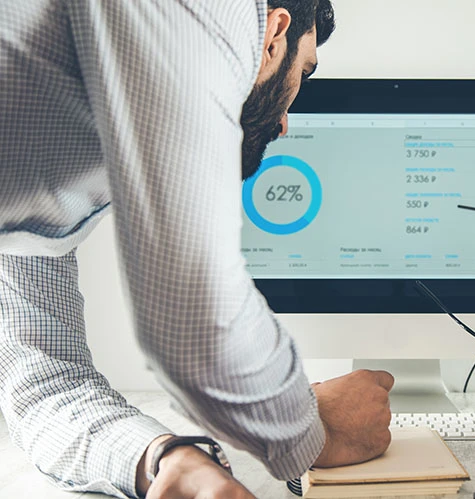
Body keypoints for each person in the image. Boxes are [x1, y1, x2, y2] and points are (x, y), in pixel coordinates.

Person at [0, 1, 394, 498]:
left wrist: (168, 458)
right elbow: (197, 324)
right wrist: (313, 430)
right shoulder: (207, 9)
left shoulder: (41, 169)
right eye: (303, 73)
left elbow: (48, 387)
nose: (287, 123)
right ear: (273, 35)